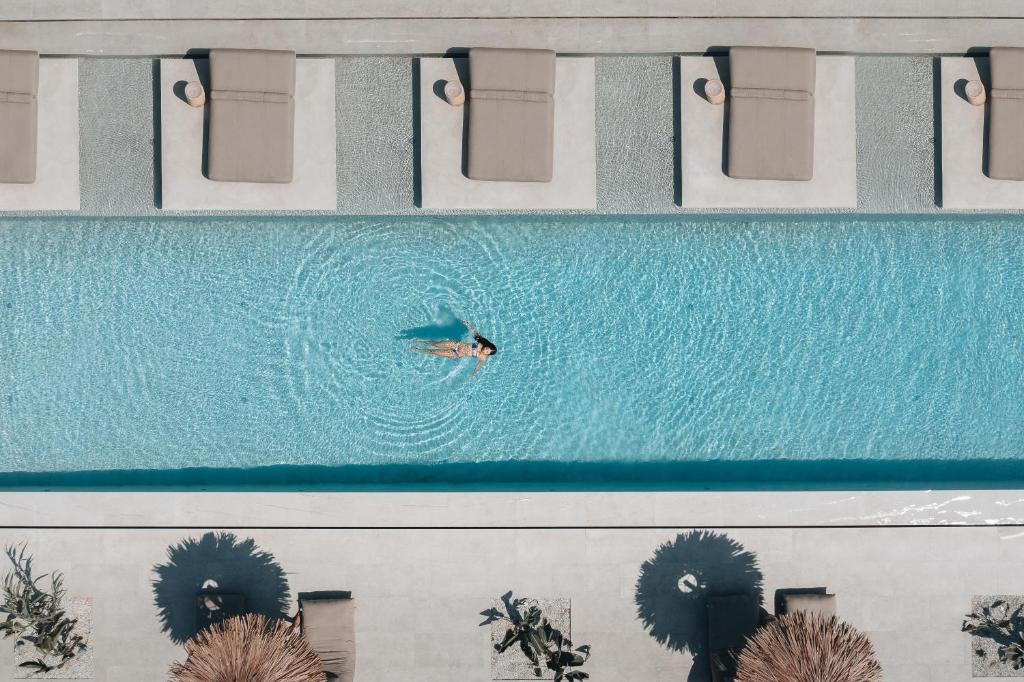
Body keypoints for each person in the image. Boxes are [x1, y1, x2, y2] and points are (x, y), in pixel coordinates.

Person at [408, 319, 497, 376]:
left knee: (433, 352)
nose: (486, 349)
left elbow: (478, 366)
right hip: (456, 345)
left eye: (488, 351)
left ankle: (416, 350)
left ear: (488, 354)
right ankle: (419, 342)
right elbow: (475, 332)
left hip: (455, 353)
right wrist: (467, 324)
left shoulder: (483, 358)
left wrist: (473, 373)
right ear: (487, 345)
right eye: (488, 348)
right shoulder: (480, 342)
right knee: (435, 344)